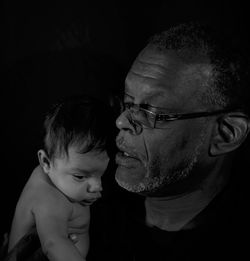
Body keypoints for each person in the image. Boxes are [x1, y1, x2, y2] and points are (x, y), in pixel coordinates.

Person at [88, 22, 250, 261]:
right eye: (127, 102)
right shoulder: (86, 215)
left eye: (152, 112)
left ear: (226, 134)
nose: (121, 121)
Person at [6, 95, 115, 261]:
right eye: (80, 176)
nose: (97, 186)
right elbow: (53, 244)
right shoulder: (47, 196)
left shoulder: (60, 175)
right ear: (46, 162)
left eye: (103, 174)